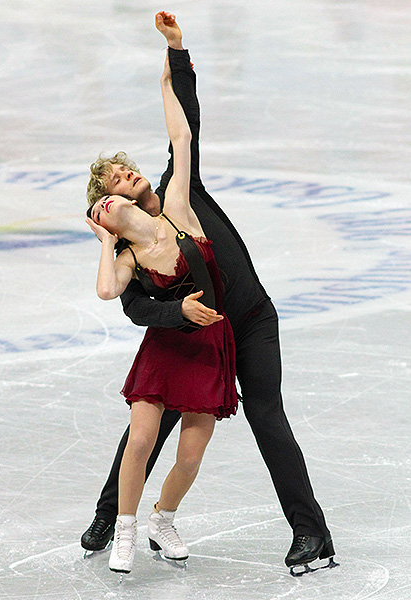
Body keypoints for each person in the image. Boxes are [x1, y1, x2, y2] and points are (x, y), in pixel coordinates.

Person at [82, 11, 336, 574]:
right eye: (114, 184)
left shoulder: (181, 188)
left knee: (268, 417)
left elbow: (185, 122)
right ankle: (110, 515)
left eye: (127, 171)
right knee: (147, 427)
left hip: (249, 321)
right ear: (109, 210)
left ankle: (311, 534)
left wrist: (176, 51)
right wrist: (179, 313)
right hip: (189, 336)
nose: (127, 178)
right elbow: (133, 306)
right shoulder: (130, 252)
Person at [86, 43, 237, 576]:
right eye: (104, 202)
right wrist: (105, 244)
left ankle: (163, 518)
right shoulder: (125, 253)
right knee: (143, 440)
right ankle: (124, 530)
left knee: (191, 455)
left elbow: (181, 138)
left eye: (113, 192)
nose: (115, 195)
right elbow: (109, 295)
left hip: (211, 343)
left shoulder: (175, 208)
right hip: (165, 348)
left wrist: (167, 81)